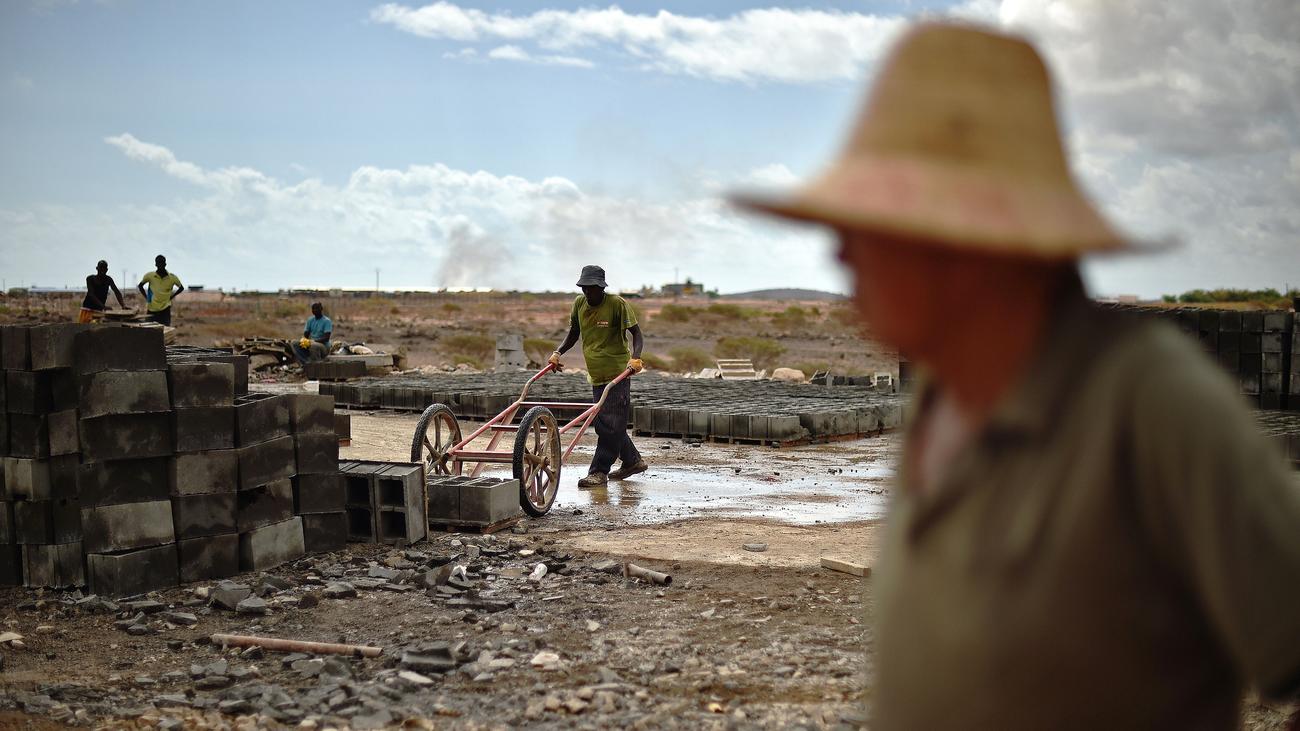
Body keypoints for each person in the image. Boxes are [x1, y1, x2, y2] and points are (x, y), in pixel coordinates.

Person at [733, 21, 1300, 731]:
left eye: (873, 222)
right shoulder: (942, 394)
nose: (840, 251)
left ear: (968, 240)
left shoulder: (1153, 405)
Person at [549, 265, 648, 488]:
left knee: (609, 427)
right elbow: (574, 333)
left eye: (593, 288)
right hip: (596, 373)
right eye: (585, 288)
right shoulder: (579, 304)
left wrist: (636, 357)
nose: (588, 293)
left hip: (618, 373)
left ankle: (598, 472)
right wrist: (558, 352)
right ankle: (632, 461)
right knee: (608, 423)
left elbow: (637, 334)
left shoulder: (617, 304)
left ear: (601, 287)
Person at [137, 254, 183, 326]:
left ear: (165, 264)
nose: (160, 264)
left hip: (165, 309)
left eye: (162, 262)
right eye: (159, 263)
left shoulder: (172, 278)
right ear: (156, 264)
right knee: (149, 331)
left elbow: (181, 288)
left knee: (164, 331)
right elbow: (140, 286)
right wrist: (147, 298)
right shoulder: (150, 276)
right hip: (152, 309)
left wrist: (172, 296)